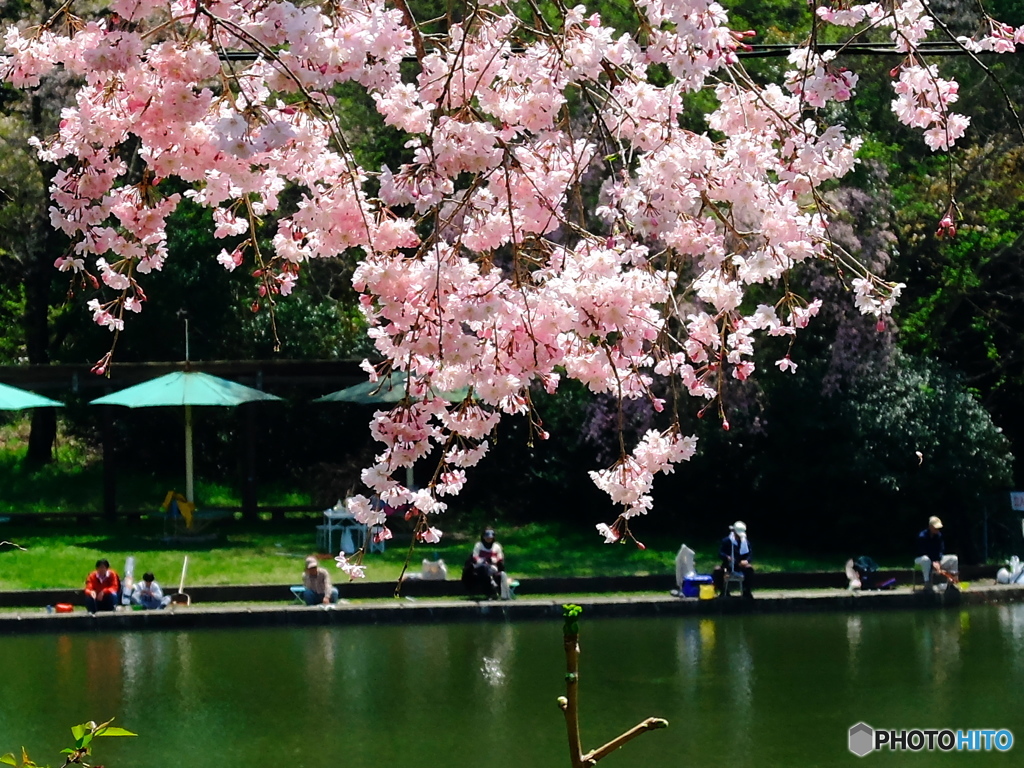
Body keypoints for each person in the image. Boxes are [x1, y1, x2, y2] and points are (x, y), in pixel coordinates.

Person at [712, 521, 754, 598]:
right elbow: (720, 553)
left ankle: (746, 591)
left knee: (749, 569)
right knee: (717, 570)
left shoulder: (745, 542)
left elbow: (750, 555)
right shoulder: (726, 541)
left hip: (741, 566)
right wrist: (727, 557)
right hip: (728, 565)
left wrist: (746, 561)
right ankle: (724, 590)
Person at [915, 516, 959, 591]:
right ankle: (927, 583)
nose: (937, 530)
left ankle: (951, 581)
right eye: (935, 528)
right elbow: (922, 552)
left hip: (935, 560)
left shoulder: (939, 536)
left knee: (954, 558)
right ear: (930, 527)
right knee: (926, 560)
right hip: (921, 560)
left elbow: (940, 550)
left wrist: (938, 561)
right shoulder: (922, 537)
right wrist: (933, 562)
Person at [462, 528, 505, 598]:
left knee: (490, 570)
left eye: (490, 538)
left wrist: (493, 560)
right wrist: (483, 560)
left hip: (493, 567)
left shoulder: (497, 546)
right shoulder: (478, 545)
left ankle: (494, 590)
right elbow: (475, 556)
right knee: (484, 569)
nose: (489, 539)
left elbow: (500, 557)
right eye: (487, 537)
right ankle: (490, 590)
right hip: (480, 566)